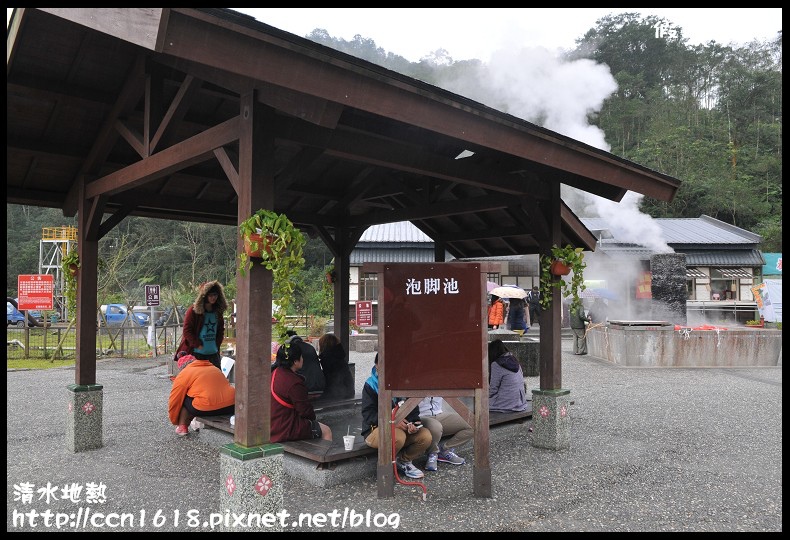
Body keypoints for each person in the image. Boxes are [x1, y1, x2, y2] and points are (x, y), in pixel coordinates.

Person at [361, 354, 431, 479]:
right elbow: (368, 415)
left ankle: (404, 461)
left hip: (400, 431)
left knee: (425, 436)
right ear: (376, 365)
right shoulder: (370, 385)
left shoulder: (404, 382)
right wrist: (392, 421)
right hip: (374, 430)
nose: (384, 372)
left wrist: (413, 424)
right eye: (379, 368)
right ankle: (385, 467)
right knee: (397, 436)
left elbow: (413, 410)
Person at [270, 340, 332, 443]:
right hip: (285, 428)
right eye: (301, 357)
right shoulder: (294, 383)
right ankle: (325, 456)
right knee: (326, 431)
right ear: (295, 361)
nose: (303, 359)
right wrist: (313, 419)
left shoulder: (275, 372)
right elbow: (305, 411)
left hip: (273, 422)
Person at [168, 353, 235, 437]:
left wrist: (174, 420)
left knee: (183, 397)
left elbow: (175, 399)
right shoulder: (214, 368)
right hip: (231, 406)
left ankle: (182, 427)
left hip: (205, 408)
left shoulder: (185, 373)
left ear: (182, 368)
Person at [178, 280, 228, 370]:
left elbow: (220, 330)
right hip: (197, 353)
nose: (213, 298)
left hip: (213, 353)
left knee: (216, 379)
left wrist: (217, 344)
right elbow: (187, 331)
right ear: (204, 296)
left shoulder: (218, 312)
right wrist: (197, 344)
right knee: (198, 380)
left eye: (215, 295)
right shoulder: (193, 311)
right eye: (210, 295)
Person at [418, 396, 473, 472]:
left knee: (473, 423)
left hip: (439, 414)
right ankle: (432, 453)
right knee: (436, 427)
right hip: (421, 416)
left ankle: (444, 450)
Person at [488, 339, 529, 413]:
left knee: (479, 403)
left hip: (508, 403)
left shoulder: (496, 364)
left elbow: (493, 388)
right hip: (520, 402)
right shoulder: (514, 359)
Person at [317, 333, 355, 399]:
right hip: (349, 390)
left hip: (338, 393)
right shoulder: (339, 355)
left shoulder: (327, 358)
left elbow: (329, 380)